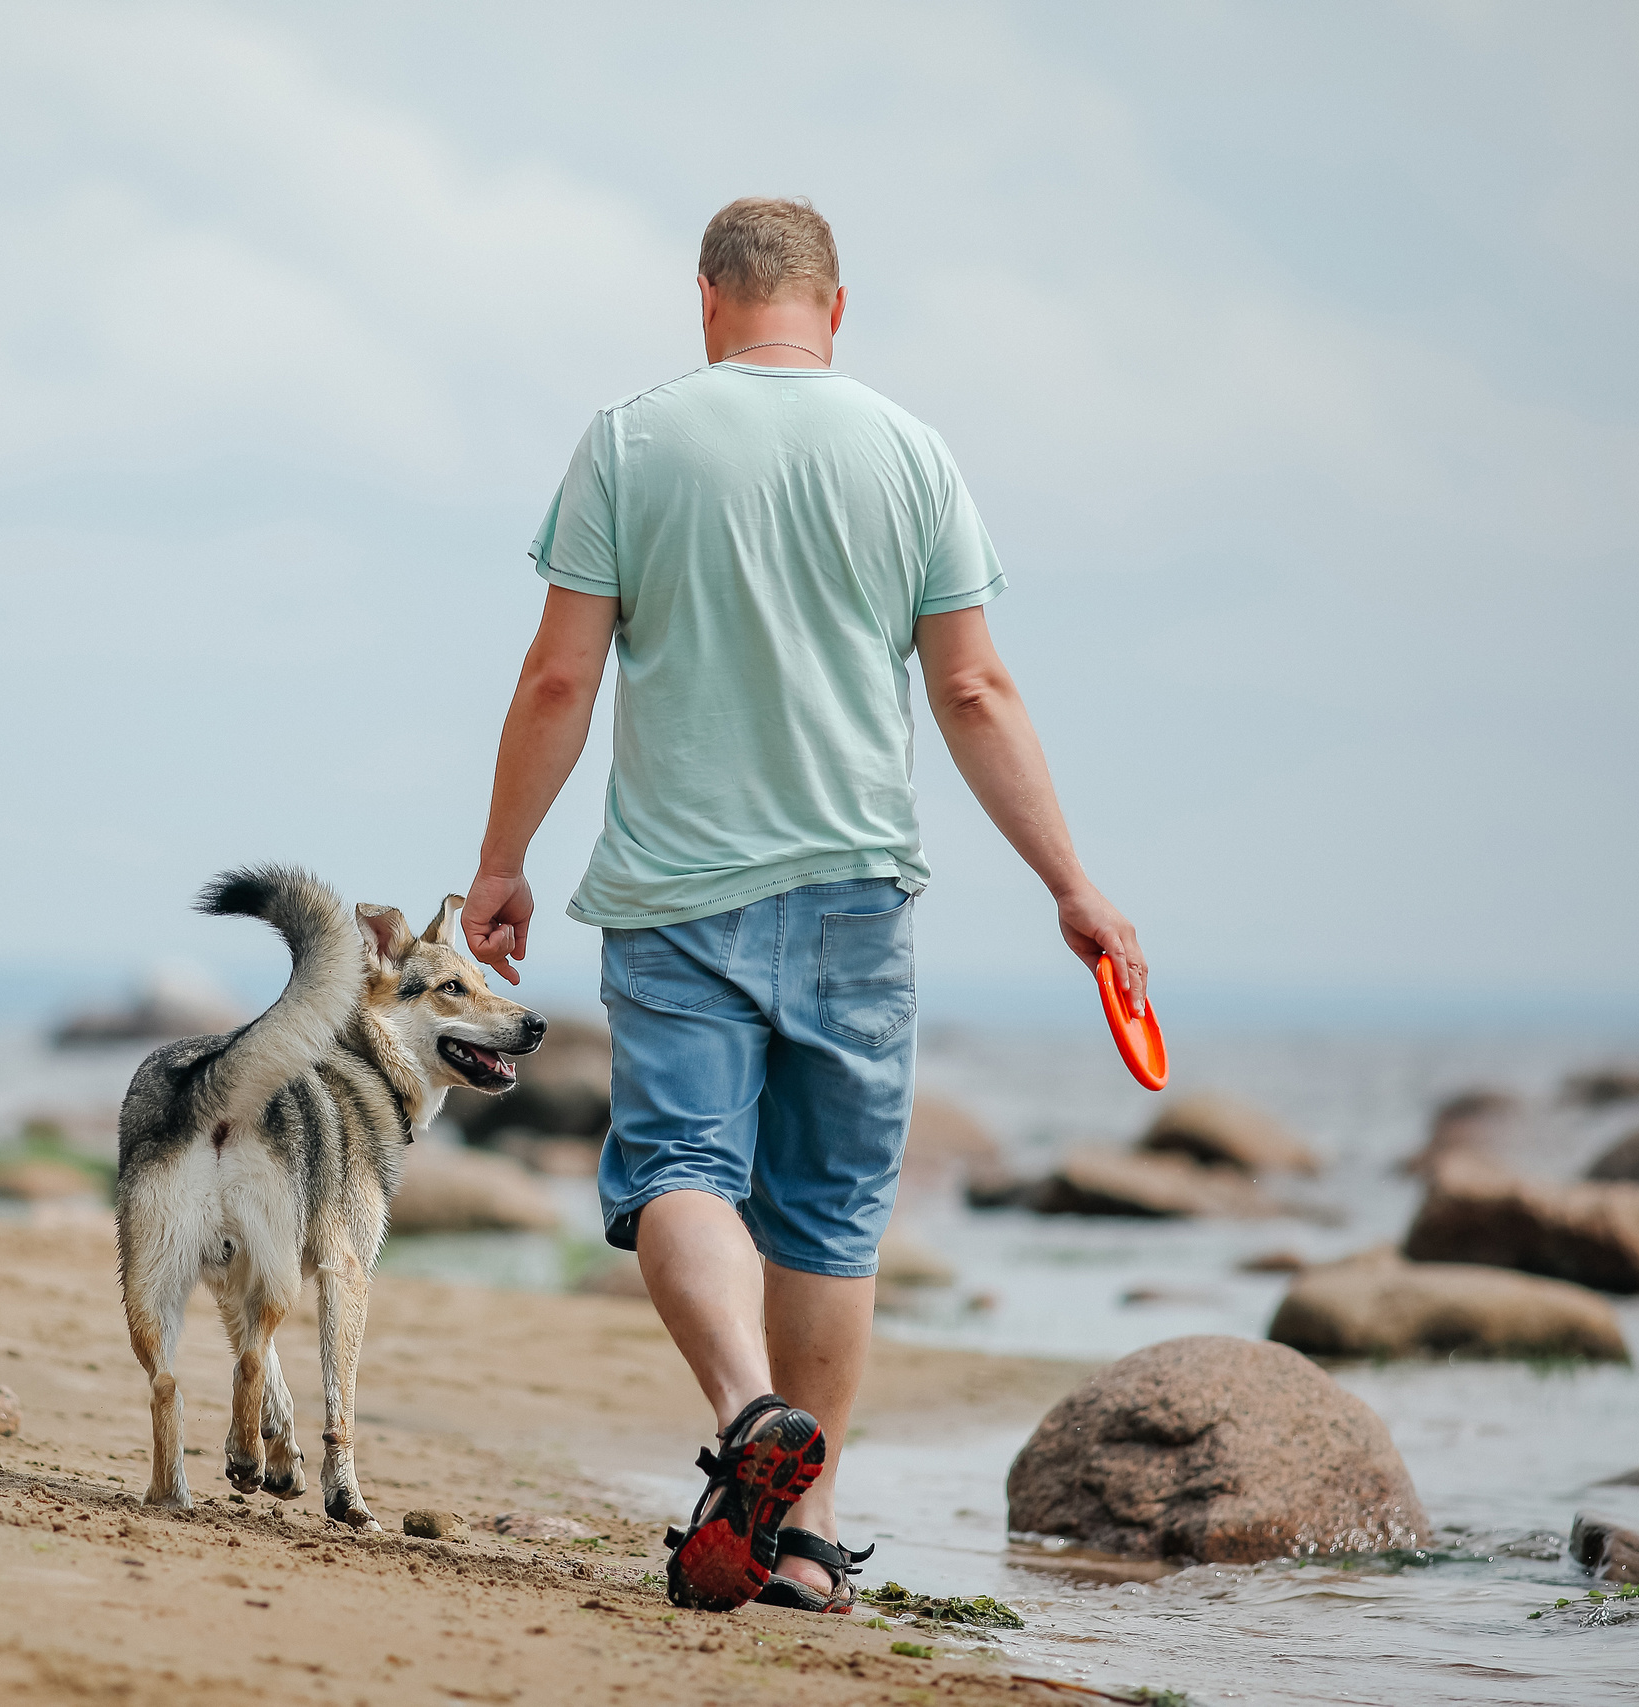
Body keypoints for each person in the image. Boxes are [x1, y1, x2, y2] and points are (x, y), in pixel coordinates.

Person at [460, 196, 1148, 1615]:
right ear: (834, 310)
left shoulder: (632, 440)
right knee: (829, 1218)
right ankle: (811, 1539)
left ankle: (744, 1415)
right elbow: (972, 689)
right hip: (853, 896)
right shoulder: (911, 452)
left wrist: (501, 862)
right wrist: (1073, 886)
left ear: (707, 301)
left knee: (675, 1173)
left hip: (675, 892)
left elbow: (557, 681)